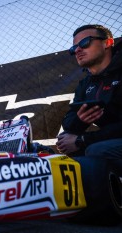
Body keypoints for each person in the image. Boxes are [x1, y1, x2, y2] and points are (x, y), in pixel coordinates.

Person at [56, 24, 122, 158]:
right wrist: (81, 120)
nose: (78, 50)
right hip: (112, 139)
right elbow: (69, 122)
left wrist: (82, 139)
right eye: (74, 48)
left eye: (85, 43)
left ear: (107, 43)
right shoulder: (85, 84)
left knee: (96, 149)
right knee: (68, 147)